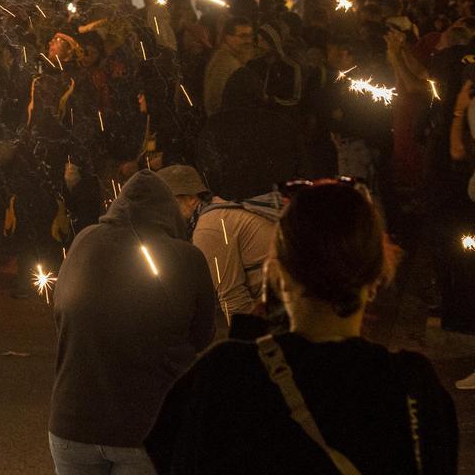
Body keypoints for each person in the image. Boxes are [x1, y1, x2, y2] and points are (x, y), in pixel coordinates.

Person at [146, 181, 458, 474]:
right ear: (376, 279)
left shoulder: (224, 376)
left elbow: (168, 453)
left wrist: (251, 330)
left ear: (277, 276)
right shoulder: (414, 386)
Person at [49, 170, 216, 474]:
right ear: (169, 211)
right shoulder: (188, 258)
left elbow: (62, 313)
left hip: (71, 422)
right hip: (147, 427)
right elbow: (203, 335)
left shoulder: (83, 240)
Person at [157, 165, 278, 321]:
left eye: (169, 203)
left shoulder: (209, 227)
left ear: (192, 199)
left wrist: (242, 343)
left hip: (289, 302)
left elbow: (234, 302)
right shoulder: (218, 209)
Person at [202, 17, 253, 117]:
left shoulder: (233, 58)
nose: (248, 41)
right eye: (242, 36)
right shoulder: (225, 64)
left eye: (250, 36)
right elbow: (214, 100)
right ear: (227, 38)